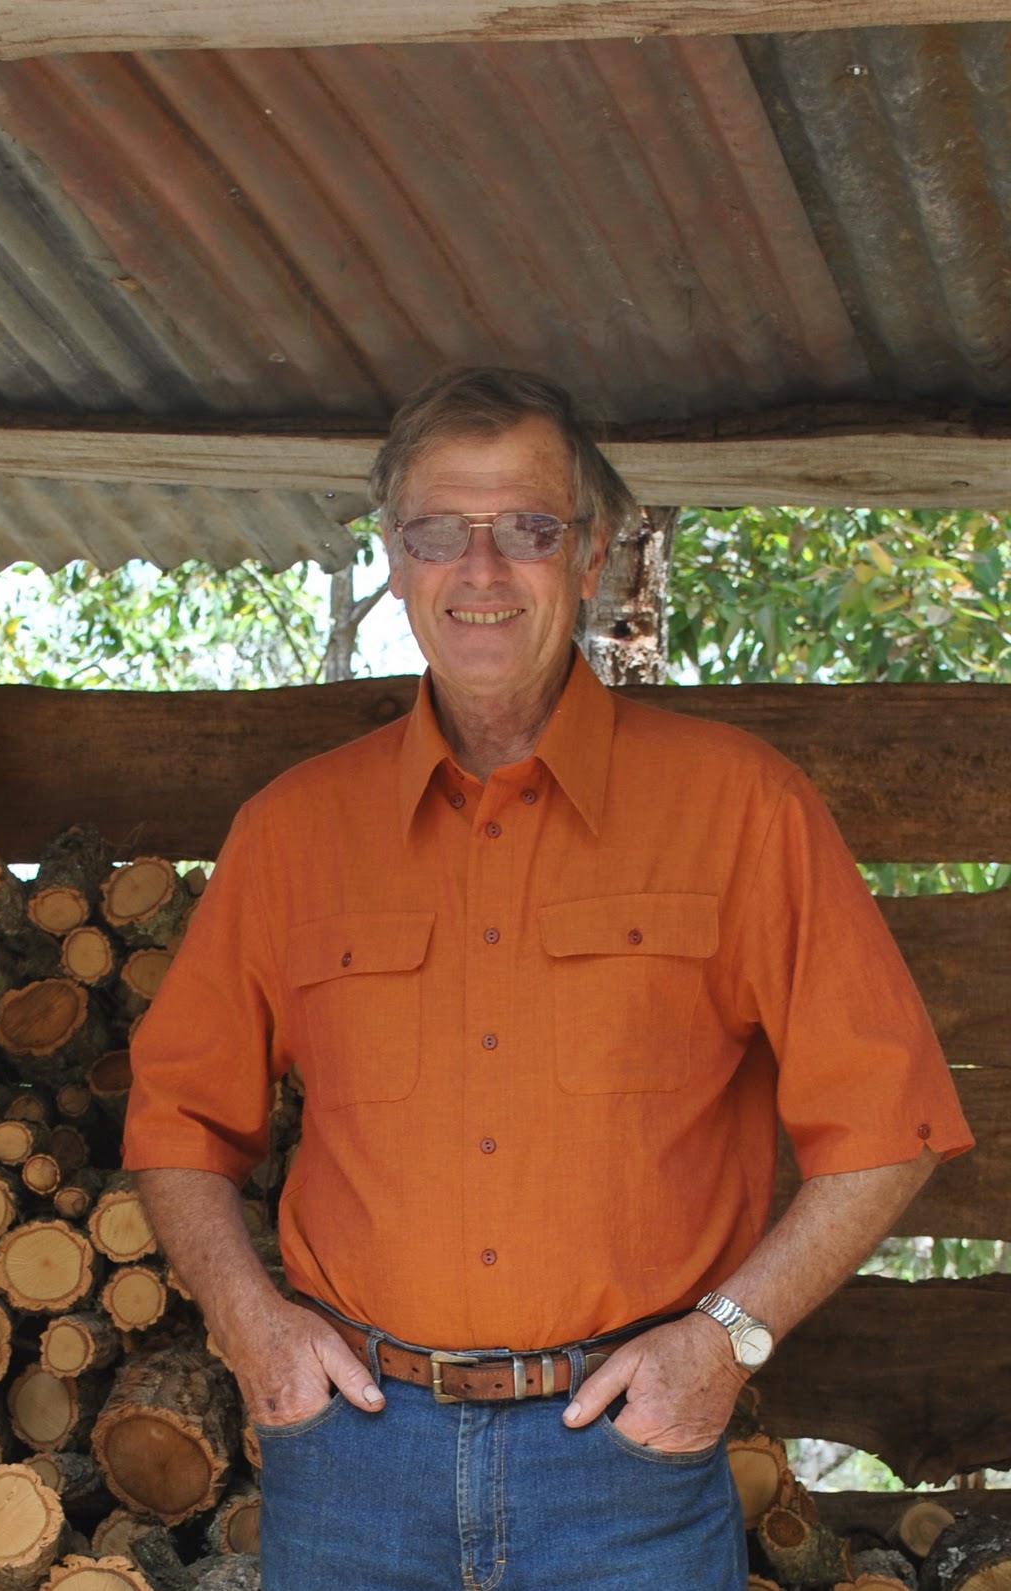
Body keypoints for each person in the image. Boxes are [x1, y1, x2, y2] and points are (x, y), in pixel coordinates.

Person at [120, 367, 974, 1590]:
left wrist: (723, 1342)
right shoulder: (291, 831)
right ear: (393, 556)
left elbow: (891, 1128)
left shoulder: (739, 807)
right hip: (355, 1462)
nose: (480, 570)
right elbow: (176, 1119)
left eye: (525, 528)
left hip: (627, 1460)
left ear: (591, 552)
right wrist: (249, 1325)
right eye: (438, 532)